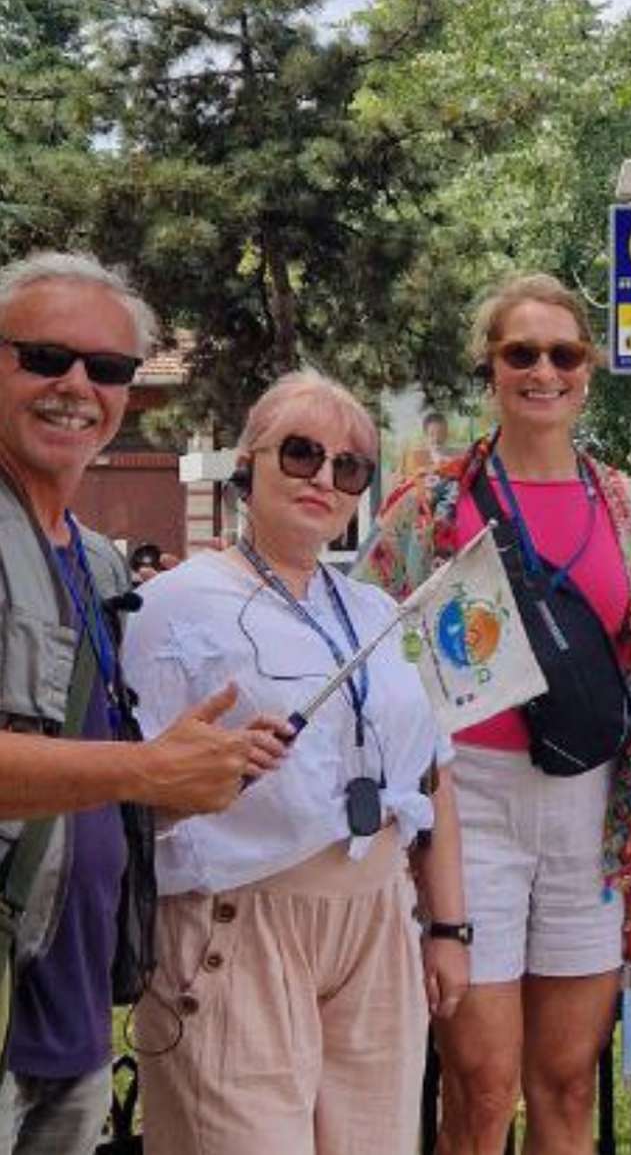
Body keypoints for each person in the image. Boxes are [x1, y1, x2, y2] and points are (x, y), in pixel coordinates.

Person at [357, 273, 631, 1154]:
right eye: (522, 353)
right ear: (491, 369)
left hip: (590, 808)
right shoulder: (432, 506)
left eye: (564, 354)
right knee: (481, 1088)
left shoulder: (627, 508)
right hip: (468, 804)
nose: (544, 372)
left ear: (588, 370)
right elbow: (367, 648)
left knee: (569, 1084)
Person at [121, 370, 466, 1152]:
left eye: (349, 467)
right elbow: (129, 784)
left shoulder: (375, 610)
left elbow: (431, 773)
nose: (323, 479)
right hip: (239, 922)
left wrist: (449, 925)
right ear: (248, 464)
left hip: (375, 922)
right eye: (301, 453)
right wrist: (207, 770)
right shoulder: (175, 603)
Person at [0, 252, 284, 1155]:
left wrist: (191, 777)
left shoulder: (97, 561)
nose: (76, 387)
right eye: (46, 357)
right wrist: (147, 768)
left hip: (71, 1008)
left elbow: (83, 774)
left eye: (108, 367)